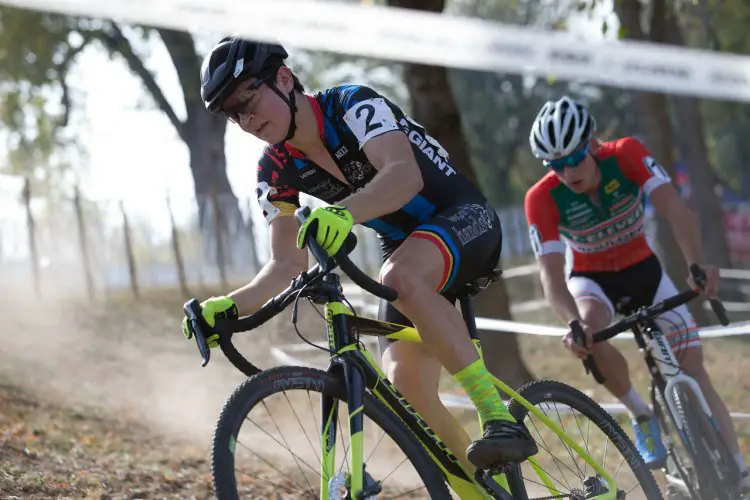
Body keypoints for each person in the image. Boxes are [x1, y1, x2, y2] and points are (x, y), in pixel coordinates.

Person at [182, 35, 538, 472]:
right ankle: (485, 487)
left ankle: (497, 416)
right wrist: (228, 307)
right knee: (406, 386)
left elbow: (403, 176)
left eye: (249, 98)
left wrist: (343, 213)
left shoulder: (352, 104)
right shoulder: (273, 170)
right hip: (407, 250)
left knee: (399, 278)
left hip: (462, 216)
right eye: (232, 112)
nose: (246, 117)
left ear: (284, 77)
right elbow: (285, 265)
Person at [524, 95, 748, 484]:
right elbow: (551, 275)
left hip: (644, 269)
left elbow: (676, 209)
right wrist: (573, 322)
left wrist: (697, 264)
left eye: (574, 158)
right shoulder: (541, 198)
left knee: (695, 371)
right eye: (556, 165)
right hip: (593, 279)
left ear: (591, 145)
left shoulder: (626, 154)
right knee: (590, 330)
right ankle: (640, 412)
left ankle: (740, 471)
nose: (568, 171)